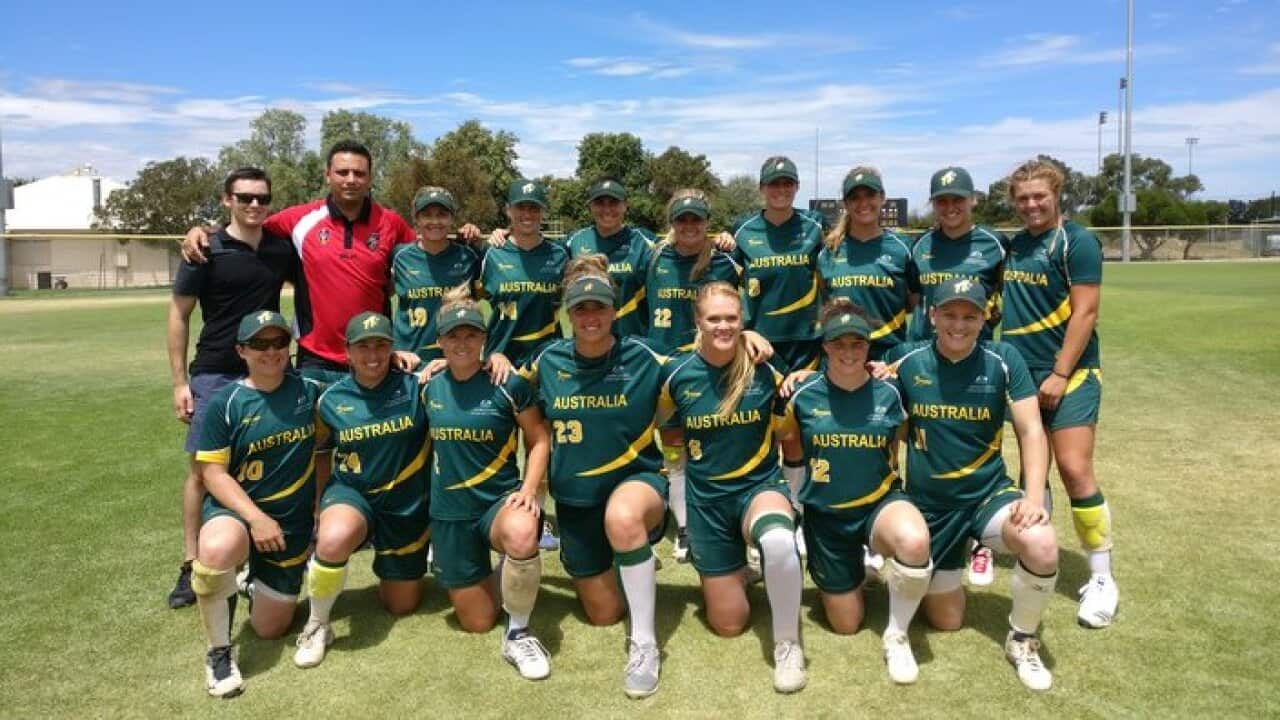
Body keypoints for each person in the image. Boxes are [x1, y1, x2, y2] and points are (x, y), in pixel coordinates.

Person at [884, 278, 1059, 692]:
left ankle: (1022, 639)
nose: (958, 325)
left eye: (970, 316)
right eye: (949, 314)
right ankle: (931, 573)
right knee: (947, 620)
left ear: (984, 319)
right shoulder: (904, 360)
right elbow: (877, 410)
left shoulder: (1005, 359)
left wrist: (1034, 498)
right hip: (930, 504)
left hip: (987, 496)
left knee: (1042, 543)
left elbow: (1032, 430)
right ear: (932, 315)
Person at [181, 140, 469, 384]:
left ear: (369, 178)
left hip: (374, 354)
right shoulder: (299, 219)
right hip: (316, 360)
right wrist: (205, 230)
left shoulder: (390, 223)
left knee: (374, 443)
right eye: (342, 172)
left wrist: (486, 235)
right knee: (317, 447)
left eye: (359, 173)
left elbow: (428, 248)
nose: (351, 179)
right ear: (327, 175)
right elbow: (247, 223)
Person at [525, 256, 670, 698]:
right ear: (569, 314)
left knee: (623, 518)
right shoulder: (545, 363)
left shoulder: (645, 357)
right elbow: (498, 388)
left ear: (615, 310)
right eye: (581, 309)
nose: (591, 317)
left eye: (600, 307)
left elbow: (706, 360)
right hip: (577, 501)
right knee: (603, 612)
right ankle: (631, 562)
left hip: (636, 486)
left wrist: (746, 338)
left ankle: (644, 643)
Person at [658, 282, 807, 694]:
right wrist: (683, 521)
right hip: (707, 503)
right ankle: (741, 572)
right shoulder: (675, 374)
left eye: (732, 318)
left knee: (778, 541)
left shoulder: (764, 368)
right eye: (713, 318)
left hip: (758, 488)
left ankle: (788, 644)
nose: (723, 326)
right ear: (697, 322)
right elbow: (673, 452)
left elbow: (789, 431)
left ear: (743, 321)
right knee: (728, 624)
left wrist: (793, 498)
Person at [775, 298, 933, 685]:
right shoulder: (801, 392)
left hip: (879, 504)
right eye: (839, 343)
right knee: (846, 624)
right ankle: (857, 568)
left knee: (914, 541)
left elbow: (896, 447)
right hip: (826, 518)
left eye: (857, 344)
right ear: (825, 346)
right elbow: (789, 447)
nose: (849, 351)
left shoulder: (891, 392)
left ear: (868, 346)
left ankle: (897, 635)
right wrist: (794, 507)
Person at [166, 167, 297, 609]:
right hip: (216, 373)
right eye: (245, 198)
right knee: (203, 471)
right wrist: (180, 381)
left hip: (269, 366)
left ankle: (264, 552)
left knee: (276, 459)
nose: (254, 206)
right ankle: (191, 563)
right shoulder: (205, 249)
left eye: (262, 199)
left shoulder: (279, 250)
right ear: (227, 201)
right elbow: (179, 314)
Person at [1002, 158, 1118, 628]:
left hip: (1068, 374)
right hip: (1022, 375)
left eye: (1039, 196)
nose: (1031, 205)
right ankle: (1037, 555)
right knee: (1034, 469)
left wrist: (1060, 371)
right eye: (1023, 198)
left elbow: (1085, 313)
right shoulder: (1014, 246)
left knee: (1074, 468)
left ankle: (1102, 577)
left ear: (1057, 195)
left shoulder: (1078, 242)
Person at [190, 311, 321, 697]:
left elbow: (365, 375)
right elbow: (211, 474)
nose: (271, 351)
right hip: (240, 514)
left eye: (279, 342)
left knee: (271, 628)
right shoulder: (226, 402)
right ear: (241, 351)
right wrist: (256, 519)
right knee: (217, 549)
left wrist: (409, 360)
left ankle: (247, 582)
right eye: (259, 345)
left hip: (291, 526)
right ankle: (218, 653)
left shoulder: (307, 390)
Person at [424, 287, 553, 680]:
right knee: (477, 620)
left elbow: (539, 438)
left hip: (497, 502)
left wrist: (529, 491)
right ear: (440, 341)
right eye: (453, 336)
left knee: (521, 533)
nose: (462, 343)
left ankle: (519, 633)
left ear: (484, 338)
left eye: (471, 335)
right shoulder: (425, 384)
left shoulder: (507, 383)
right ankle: (504, 576)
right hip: (449, 512)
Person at [294, 312, 431, 668]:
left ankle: (393, 564)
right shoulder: (330, 400)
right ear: (347, 352)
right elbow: (321, 452)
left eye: (381, 345)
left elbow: (460, 367)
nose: (373, 355)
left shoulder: (417, 385)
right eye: (363, 346)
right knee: (334, 537)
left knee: (401, 605)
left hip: (405, 505)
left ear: (393, 348)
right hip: (353, 494)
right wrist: (321, 508)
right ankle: (317, 623)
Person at [907, 165, 1008, 586]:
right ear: (933, 204)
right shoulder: (919, 247)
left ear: (972, 201)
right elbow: (913, 300)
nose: (950, 207)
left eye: (958, 199)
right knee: (921, 441)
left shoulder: (995, 246)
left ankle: (979, 539)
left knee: (977, 439)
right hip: (926, 353)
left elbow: (1002, 301)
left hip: (975, 357)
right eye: (942, 200)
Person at [645, 191, 746, 563]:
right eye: (682, 219)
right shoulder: (653, 255)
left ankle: (722, 515)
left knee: (710, 440)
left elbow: (740, 308)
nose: (689, 226)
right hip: (665, 364)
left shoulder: (724, 260)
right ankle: (684, 526)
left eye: (696, 220)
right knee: (673, 443)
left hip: (709, 366)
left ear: (707, 223)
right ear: (672, 223)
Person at [732, 156, 826, 374]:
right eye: (774, 183)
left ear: (797, 186)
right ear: (761, 188)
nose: (781, 189)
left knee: (802, 403)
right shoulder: (742, 229)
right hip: (759, 339)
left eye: (788, 183)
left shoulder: (816, 224)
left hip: (806, 339)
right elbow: (726, 285)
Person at [818, 167, 917, 361]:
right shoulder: (828, 252)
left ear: (882, 197)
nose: (863, 203)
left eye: (870, 195)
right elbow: (823, 306)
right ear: (845, 204)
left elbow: (915, 304)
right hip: (842, 358)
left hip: (889, 359)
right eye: (855, 197)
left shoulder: (902, 248)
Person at [390, 187, 481, 366]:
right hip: (409, 359)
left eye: (442, 214)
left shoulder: (469, 256)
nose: (435, 221)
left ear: (452, 218)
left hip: (455, 361)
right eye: (427, 215)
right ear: (416, 219)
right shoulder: (400, 257)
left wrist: (502, 232)